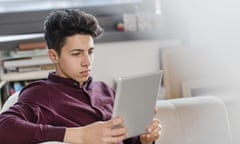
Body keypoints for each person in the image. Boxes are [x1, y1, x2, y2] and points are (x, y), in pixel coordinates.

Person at [0, 9, 161, 144]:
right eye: (76, 54)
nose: (87, 62)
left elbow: (123, 139)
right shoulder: (41, 94)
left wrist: (143, 139)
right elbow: (3, 128)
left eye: (90, 52)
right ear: (54, 56)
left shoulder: (105, 90)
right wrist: (80, 135)